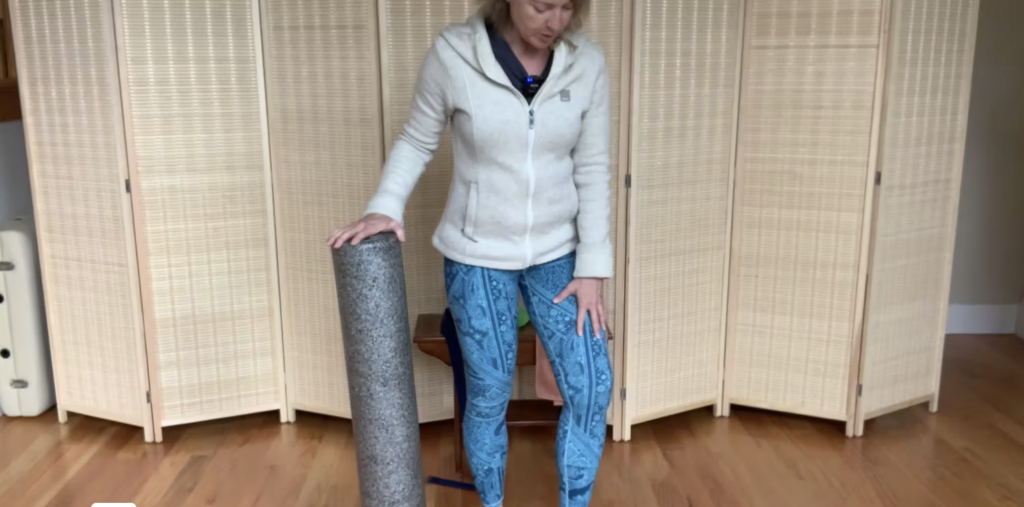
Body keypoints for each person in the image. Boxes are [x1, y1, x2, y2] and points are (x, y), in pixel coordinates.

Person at [329, 0, 612, 505]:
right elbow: (417, 139)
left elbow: (592, 168)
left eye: (567, 7)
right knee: (487, 394)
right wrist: (383, 206)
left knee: (591, 387)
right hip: (477, 255)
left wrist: (593, 266)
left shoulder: (586, 64)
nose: (555, 22)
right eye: (542, 6)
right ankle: (492, 502)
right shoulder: (454, 56)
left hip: (559, 255)